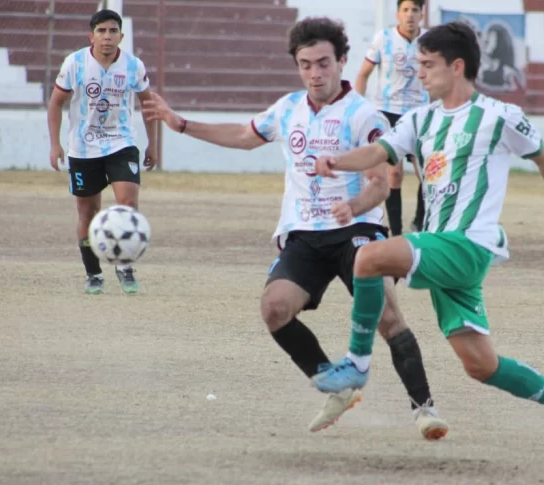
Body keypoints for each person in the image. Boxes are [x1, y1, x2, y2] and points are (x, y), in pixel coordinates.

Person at [142, 17, 448, 440]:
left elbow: (381, 185)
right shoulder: (287, 109)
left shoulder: (364, 115)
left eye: (323, 63)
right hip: (304, 233)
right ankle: (335, 383)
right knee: (274, 309)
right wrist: (180, 124)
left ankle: (424, 410)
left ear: (342, 61)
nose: (315, 73)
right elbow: (243, 135)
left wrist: (353, 205)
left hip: (356, 230)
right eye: (305, 64)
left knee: (388, 318)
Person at [310, 21, 544, 448]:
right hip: (442, 247)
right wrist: (337, 161)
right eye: (417, 65)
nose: (420, 74)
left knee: (367, 258)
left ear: (457, 66)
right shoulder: (421, 119)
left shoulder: (499, 116)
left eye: (428, 65)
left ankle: (357, 363)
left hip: (469, 244)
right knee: (480, 365)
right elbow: (379, 151)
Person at [47, 9, 158, 294]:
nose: (107, 37)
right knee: (88, 211)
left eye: (112, 31)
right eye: (101, 31)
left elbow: (148, 105)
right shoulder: (75, 63)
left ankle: (124, 266)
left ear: (121, 36)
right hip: (83, 148)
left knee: (127, 204)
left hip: (121, 143)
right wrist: (56, 144)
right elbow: (55, 103)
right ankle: (93, 273)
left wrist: (152, 143)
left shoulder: (133, 66)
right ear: (91, 36)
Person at [355, 0, 428, 236]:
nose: (410, 15)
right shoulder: (383, 39)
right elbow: (363, 74)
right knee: (394, 174)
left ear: (421, 14)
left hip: (419, 113)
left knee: (427, 174)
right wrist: (359, 107)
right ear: (397, 14)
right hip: (388, 113)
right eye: (405, 10)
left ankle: (420, 221)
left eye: (415, 10)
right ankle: (396, 233)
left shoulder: (429, 42)